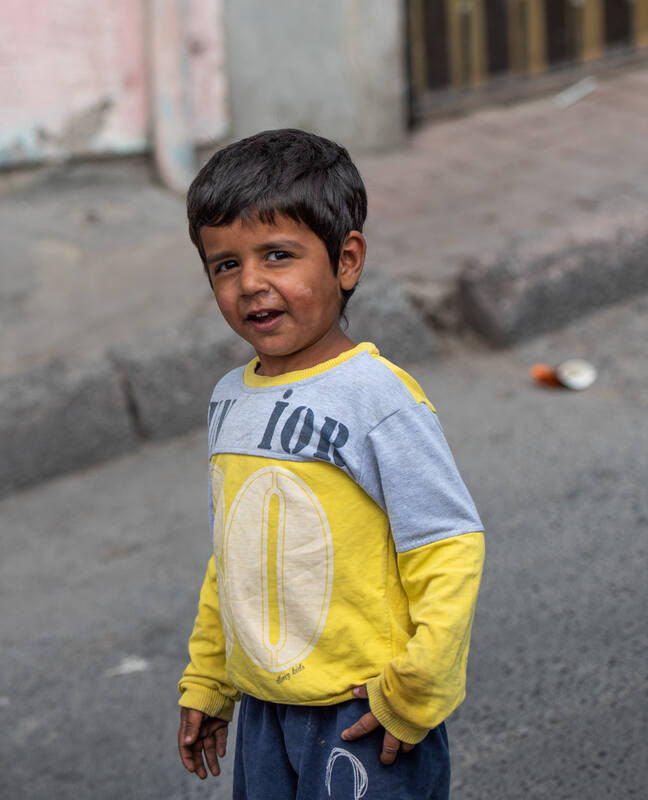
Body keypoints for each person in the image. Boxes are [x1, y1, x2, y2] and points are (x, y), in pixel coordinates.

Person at [177, 128, 484, 800]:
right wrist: (209, 678)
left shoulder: (376, 397)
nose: (250, 283)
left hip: (364, 710)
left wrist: (416, 688)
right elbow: (235, 556)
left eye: (277, 255)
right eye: (225, 264)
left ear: (346, 261)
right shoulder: (230, 399)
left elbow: (447, 544)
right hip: (266, 712)